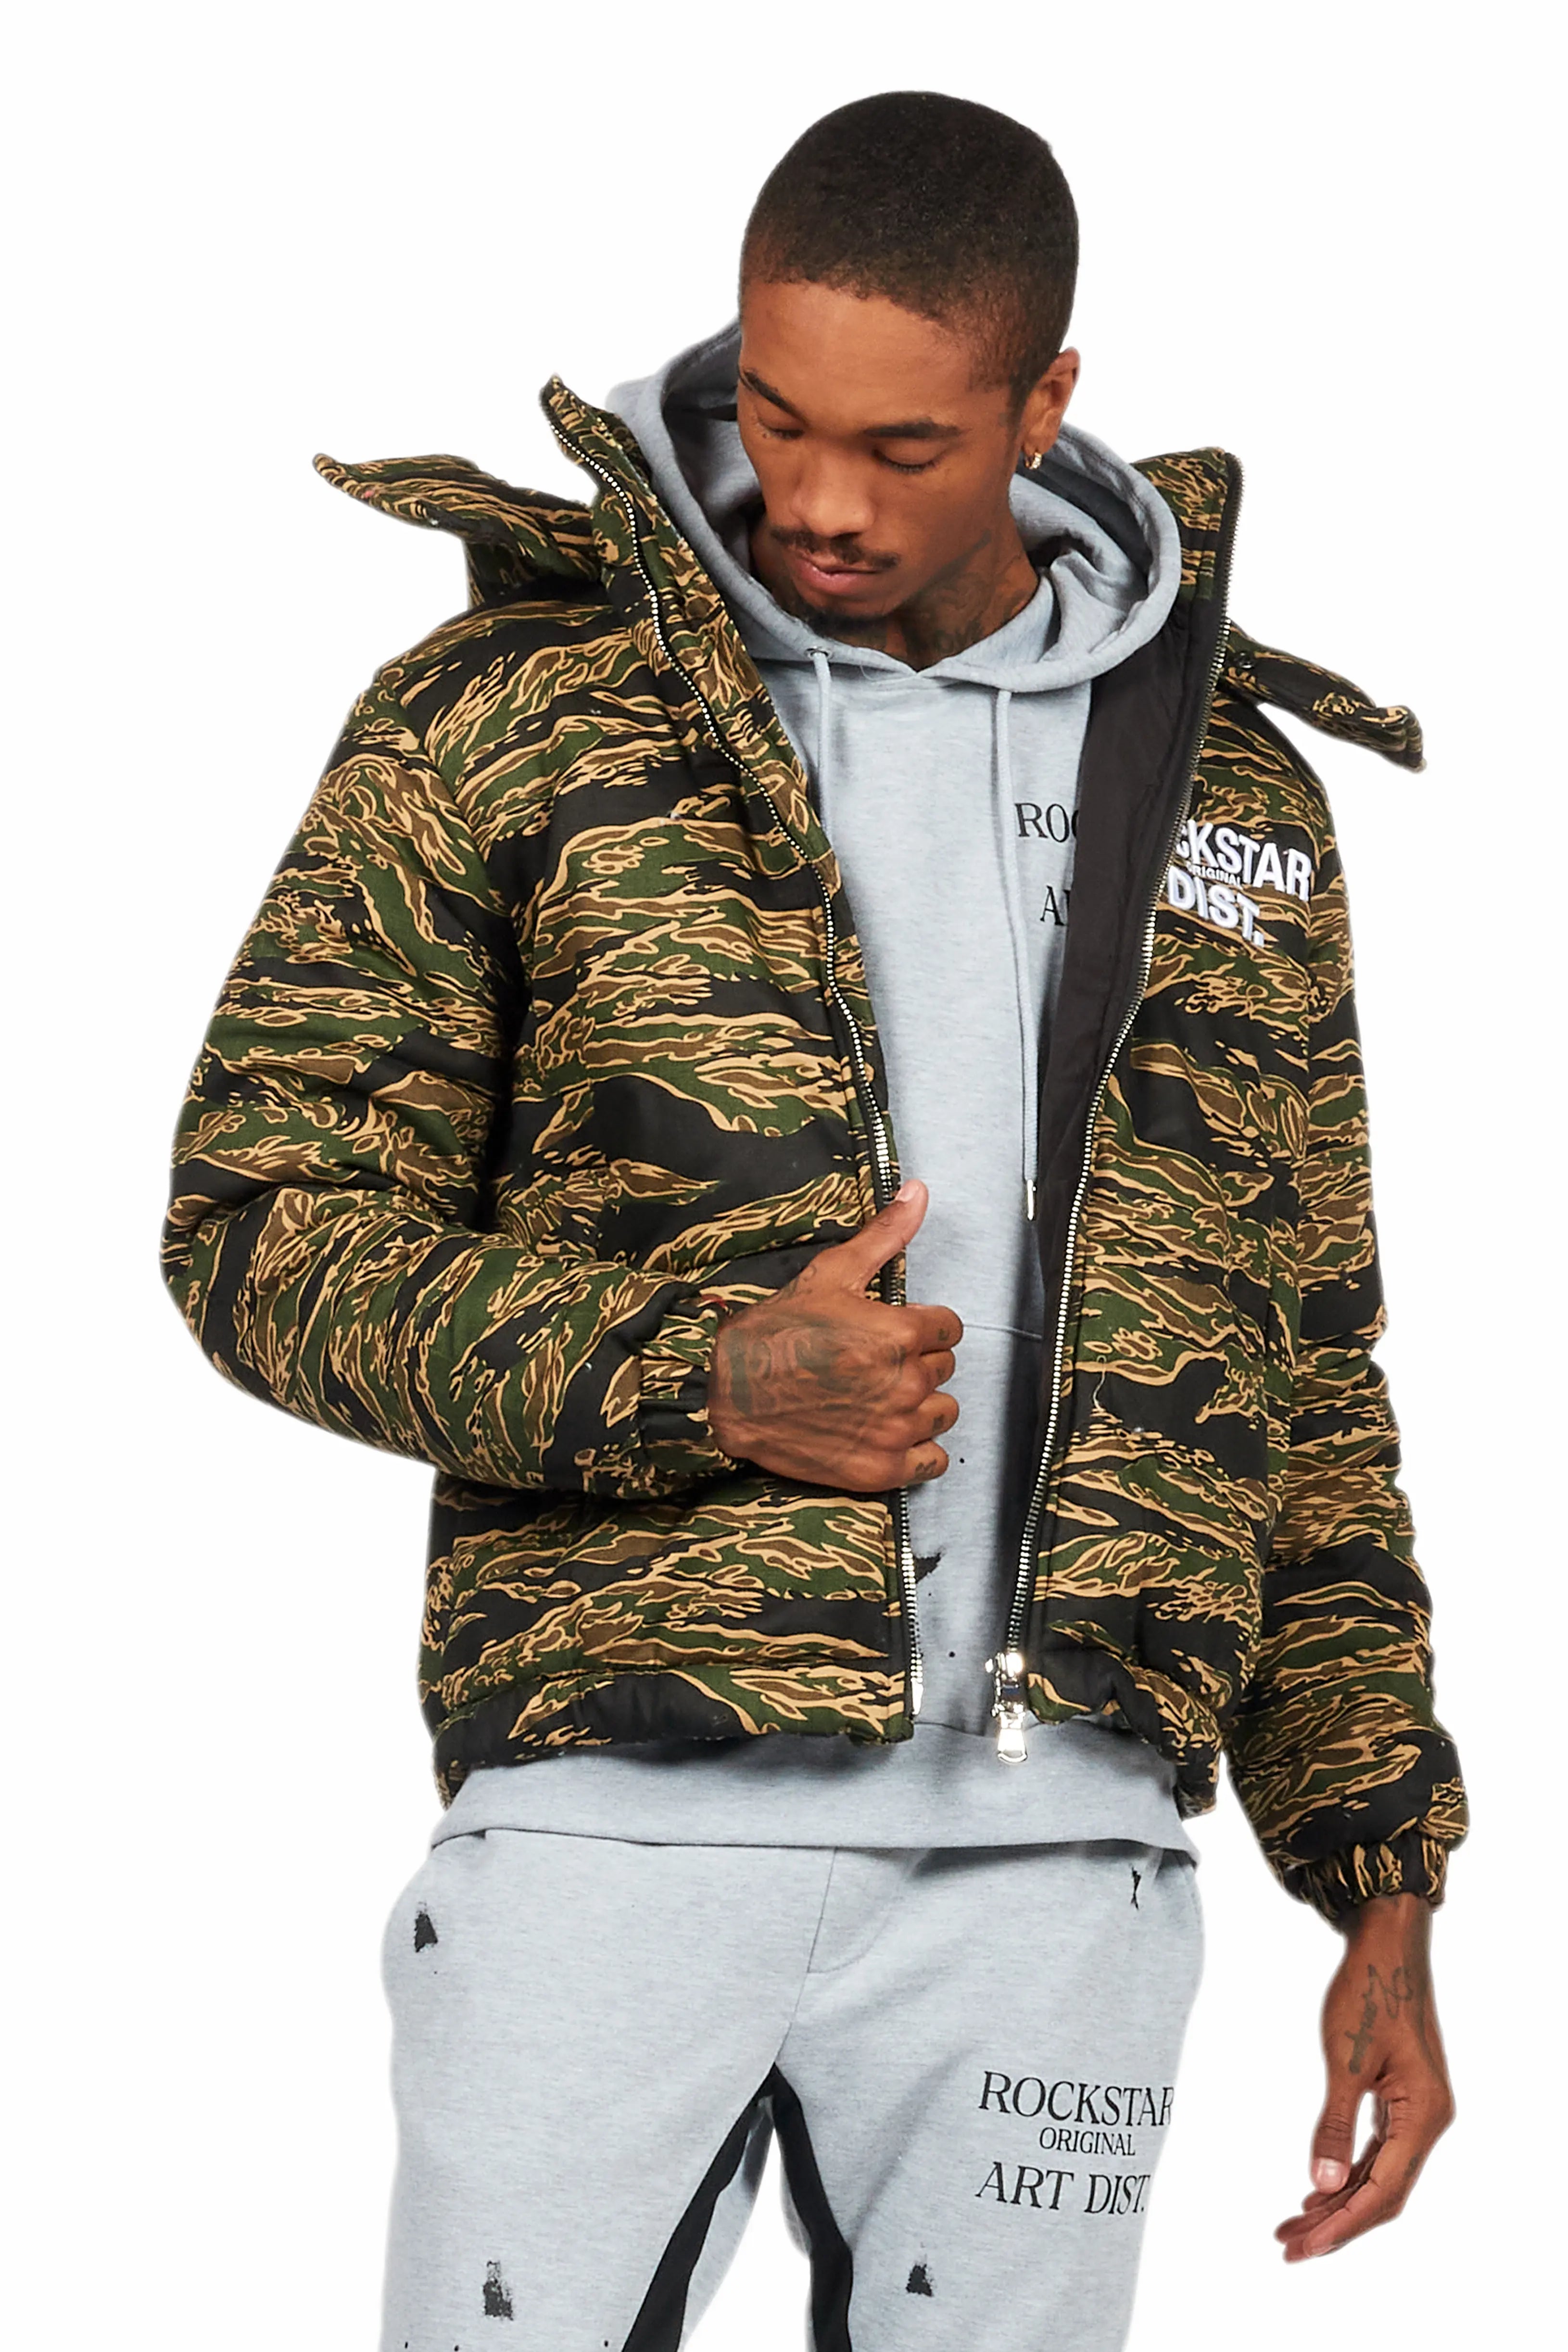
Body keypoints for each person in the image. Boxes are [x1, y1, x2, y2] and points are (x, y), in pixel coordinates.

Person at [162, 89, 1465, 2352]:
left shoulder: (1230, 791)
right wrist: (702, 1377)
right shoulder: (513, 716)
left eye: (901, 443)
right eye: (773, 418)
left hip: (1064, 1870)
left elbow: (1305, 1363)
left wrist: (1373, 1872)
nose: (821, 501)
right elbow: (258, 1224)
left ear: (1042, 404)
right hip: (614, 1823)